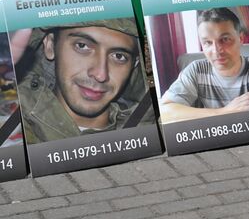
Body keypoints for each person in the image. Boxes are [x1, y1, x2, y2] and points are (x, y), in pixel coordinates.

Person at [16, 19, 150, 143]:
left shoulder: (155, 128)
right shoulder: (14, 127)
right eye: (82, 46)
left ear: (134, 65)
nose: (100, 74)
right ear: (50, 46)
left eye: (118, 56)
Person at [160, 8, 249, 119]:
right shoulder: (196, 70)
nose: (216, 50)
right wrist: (224, 111)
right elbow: (165, 111)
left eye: (225, 39)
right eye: (208, 42)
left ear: (240, 38)